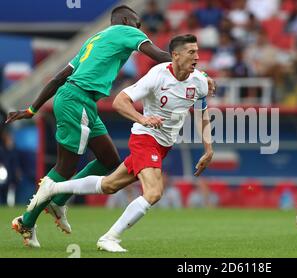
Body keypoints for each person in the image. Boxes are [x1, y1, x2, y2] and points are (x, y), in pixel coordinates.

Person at [6, 6, 215, 248]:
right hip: (77, 99)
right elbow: (162, 56)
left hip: (82, 101)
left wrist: (32, 110)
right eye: (137, 24)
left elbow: (57, 77)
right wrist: (200, 73)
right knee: (66, 167)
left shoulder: (94, 41)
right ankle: (28, 219)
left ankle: (58, 198)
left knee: (109, 160)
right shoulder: (126, 31)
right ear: (126, 20)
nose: (139, 30)